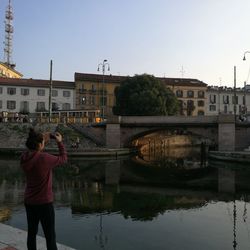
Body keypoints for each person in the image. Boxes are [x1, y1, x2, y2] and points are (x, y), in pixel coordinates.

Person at [20, 128, 67, 250]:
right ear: (40, 145)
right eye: (42, 143)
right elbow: (63, 158)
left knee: (31, 233)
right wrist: (59, 142)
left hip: (29, 201)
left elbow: (33, 149)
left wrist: (44, 139)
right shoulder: (44, 158)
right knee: (50, 235)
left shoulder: (24, 157)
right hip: (44, 203)